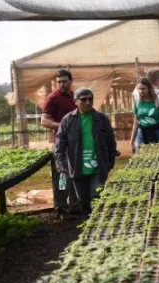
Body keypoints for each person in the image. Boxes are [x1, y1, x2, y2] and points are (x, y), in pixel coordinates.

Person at [55, 88, 117, 216]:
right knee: (83, 201)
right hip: (78, 167)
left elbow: (111, 141)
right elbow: (60, 143)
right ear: (76, 101)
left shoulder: (101, 118)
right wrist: (61, 163)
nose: (88, 102)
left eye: (90, 99)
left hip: (98, 165)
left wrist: (110, 162)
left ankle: (98, 223)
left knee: (96, 195)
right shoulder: (68, 120)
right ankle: (87, 224)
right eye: (84, 100)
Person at [41, 69, 79, 219]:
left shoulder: (74, 96)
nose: (61, 84)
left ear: (71, 81)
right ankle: (61, 209)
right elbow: (44, 121)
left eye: (64, 81)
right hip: (61, 144)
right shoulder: (53, 98)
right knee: (62, 176)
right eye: (59, 82)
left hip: (76, 143)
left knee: (75, 174)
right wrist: (62, 126)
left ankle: (75, 205)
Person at [130, 78, 159, 151]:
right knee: (141, 156)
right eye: (139, 89)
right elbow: (136, 122)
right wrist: (132, 140)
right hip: (142, 133)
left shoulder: (158, 101)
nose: (141, 91)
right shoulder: (137, 101)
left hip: (158, 132)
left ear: (149, 88)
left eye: (143, 89)